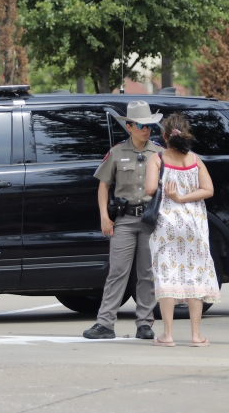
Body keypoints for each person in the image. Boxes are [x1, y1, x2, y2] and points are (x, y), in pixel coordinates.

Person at [83, 101, 163, 340]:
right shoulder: (117, 152)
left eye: (149, 125)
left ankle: (145, 323)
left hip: (150, 219)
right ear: (129, 126)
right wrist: (104, 217)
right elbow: (103, 185)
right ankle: (105, 323)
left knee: (147, 273)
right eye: (140, 125)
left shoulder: (158, 153)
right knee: (117, 271)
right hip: (125, 219)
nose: (146, 130)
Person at [144, 114, 221, 347]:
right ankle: (196, 335)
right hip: (194, 225)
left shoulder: (157, 159)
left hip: (166, 225)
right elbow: (208, 190)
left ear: (165, 136)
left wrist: (168, 190)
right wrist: (184, 197)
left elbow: (149, 189)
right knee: (195, 274)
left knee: (167, 275)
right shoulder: (195, 159)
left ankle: (167, 335)